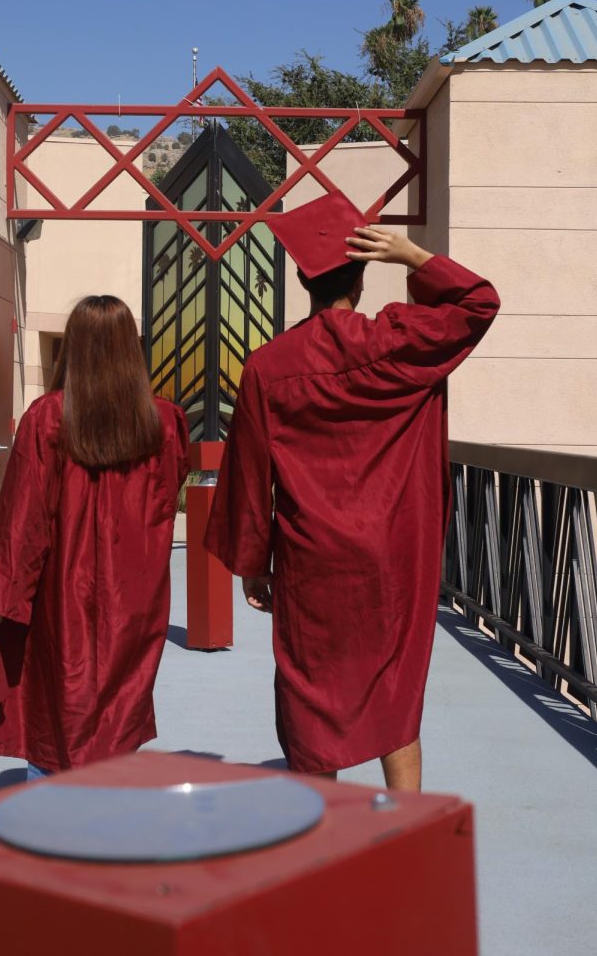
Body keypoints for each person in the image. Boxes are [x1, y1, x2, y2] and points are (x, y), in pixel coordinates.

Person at [204, 190, 500, 791]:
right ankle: (404, 842)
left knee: (313, 692)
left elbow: (249, 472)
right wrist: (412, 255)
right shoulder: (401, 341)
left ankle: (327, 849)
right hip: (395, 552)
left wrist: (252, 566)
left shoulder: (269, 366)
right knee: (394, 689)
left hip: (311, 554)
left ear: (300, 279)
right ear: (362, 280)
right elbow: (478, 301)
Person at [0, 295, 190, 779]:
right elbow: (167, 500)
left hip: (60, 598)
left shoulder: (47, 418)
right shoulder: (163, 422)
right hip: (134, 595)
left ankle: (55, 834)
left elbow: (23, 519)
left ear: (73, 349)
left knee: (57, 712)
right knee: (118, 711)